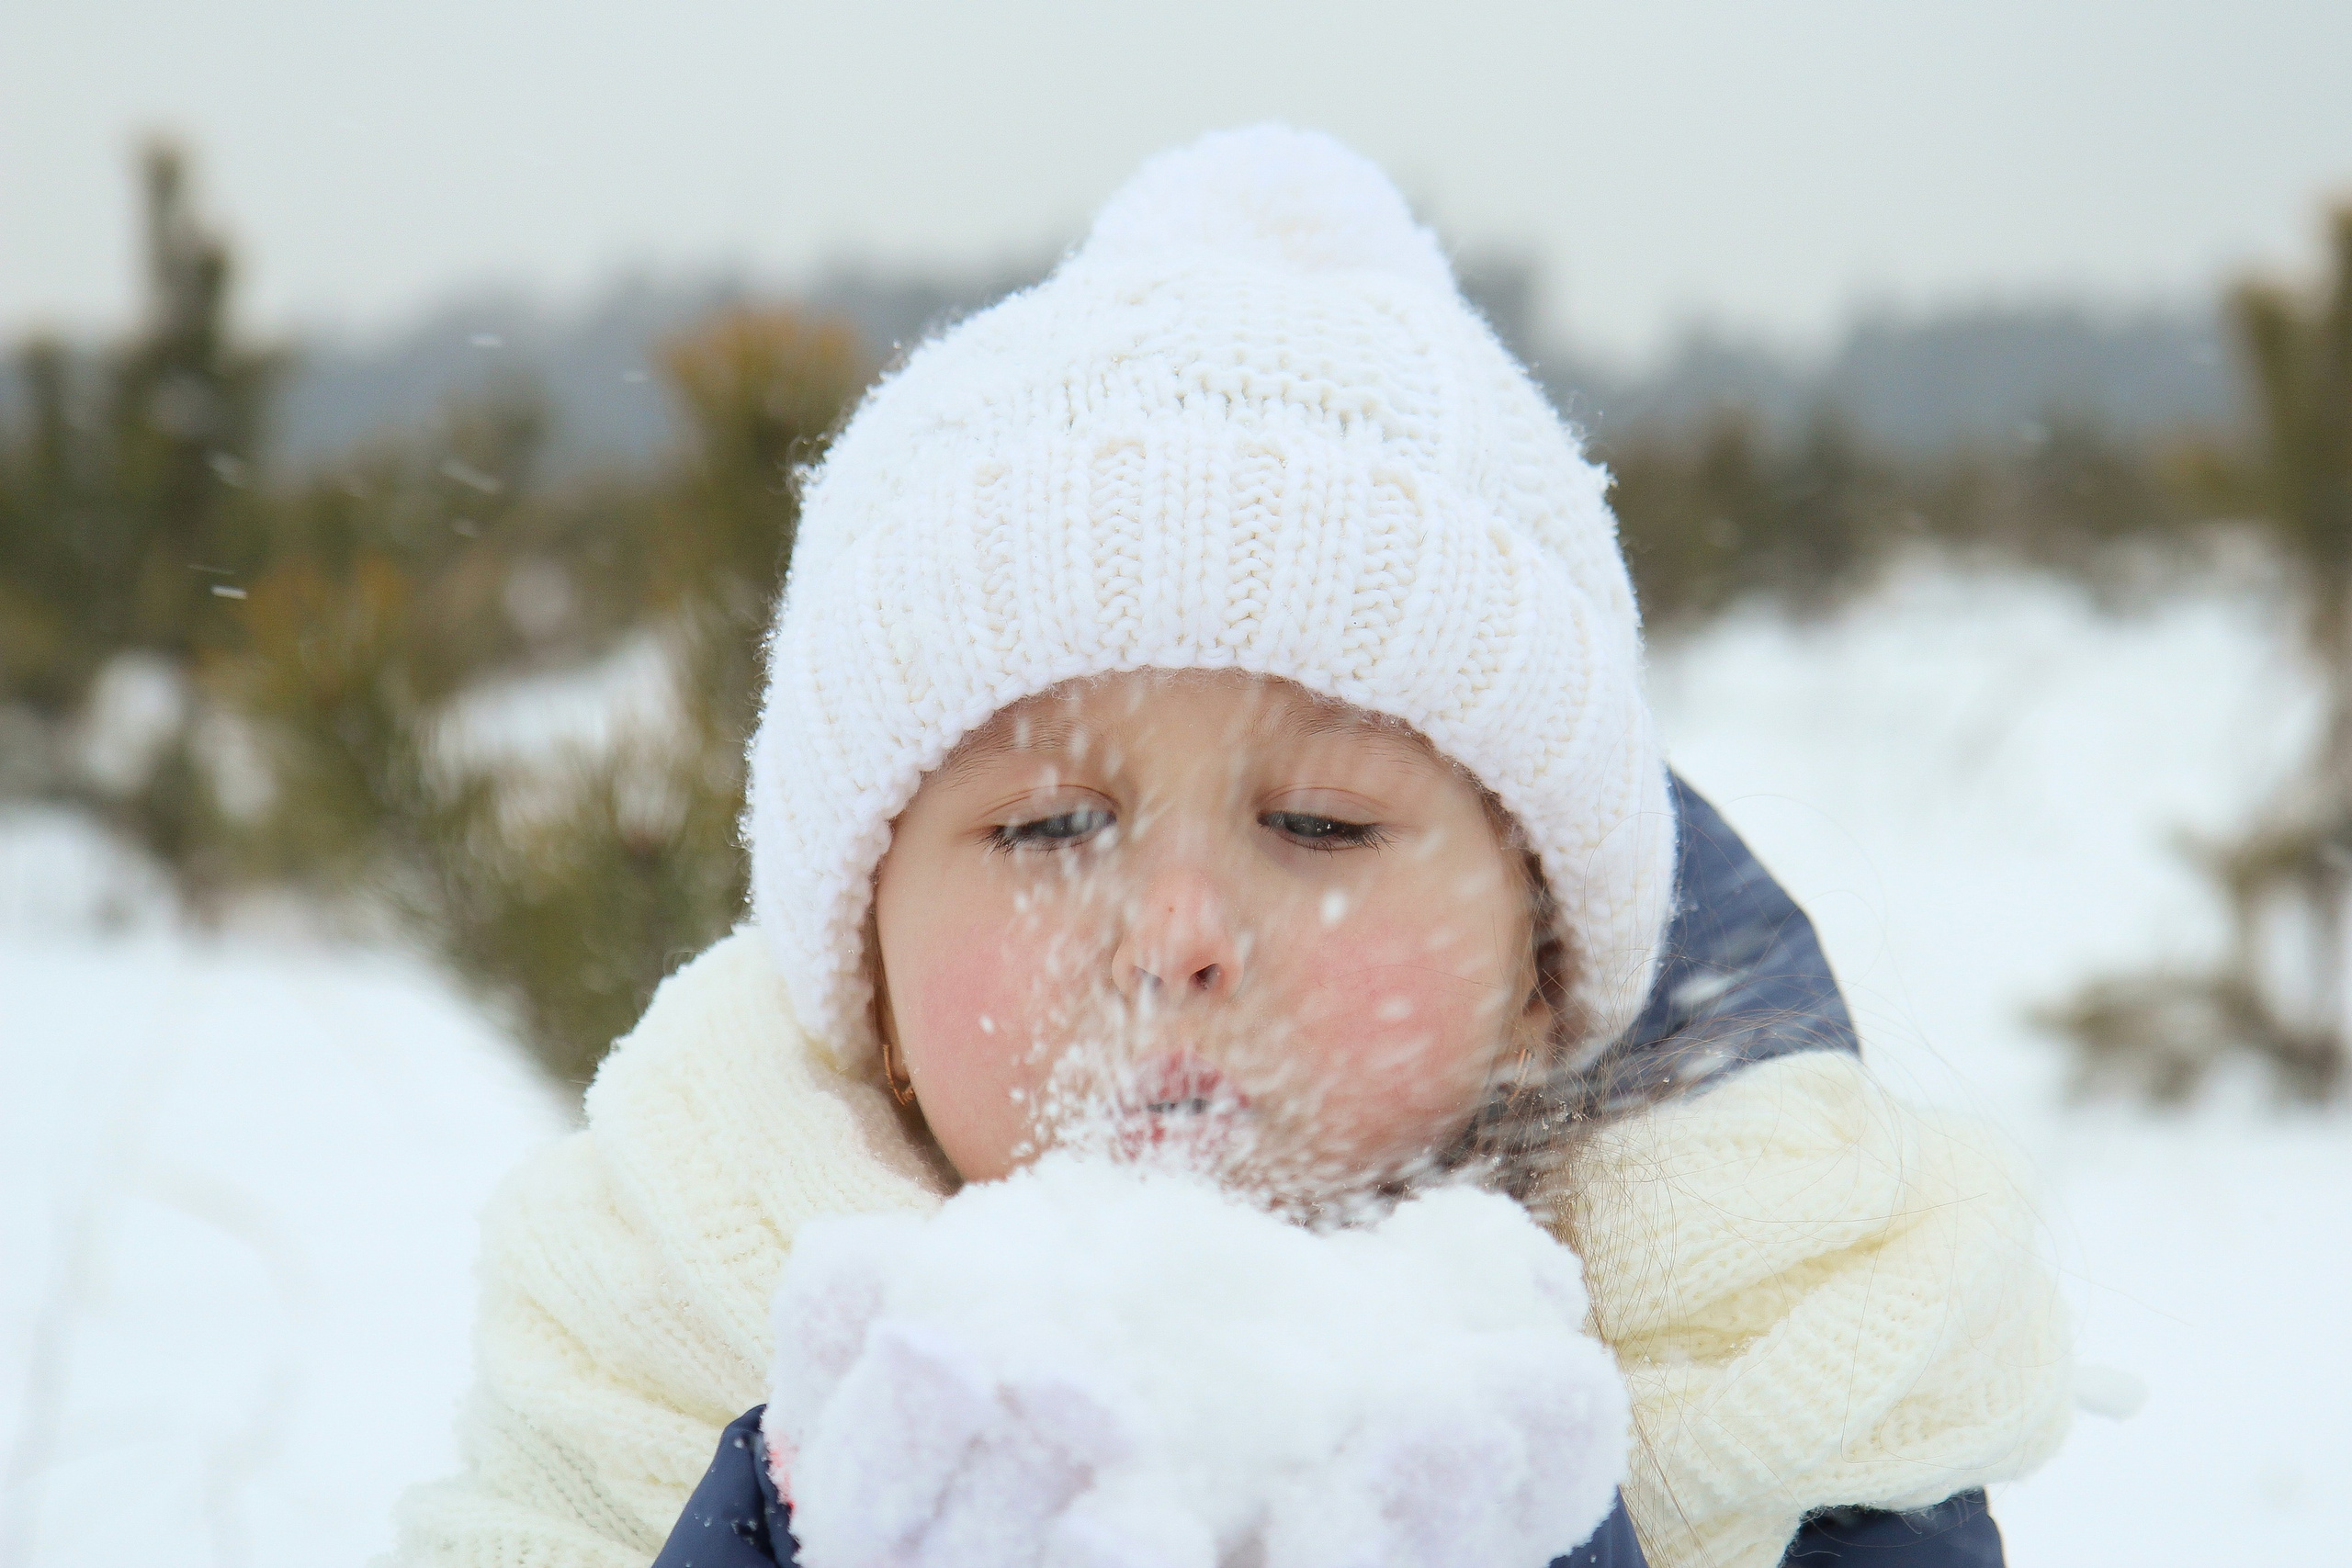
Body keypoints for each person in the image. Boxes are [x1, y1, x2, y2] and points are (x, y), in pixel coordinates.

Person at [390, 128, 2070, 1568]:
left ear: (1536, 975)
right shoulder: (647, 1326)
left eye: (1320, 823)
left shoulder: (1789, 1352)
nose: (1179, 932)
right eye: (1048, 825)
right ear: (868, 980)